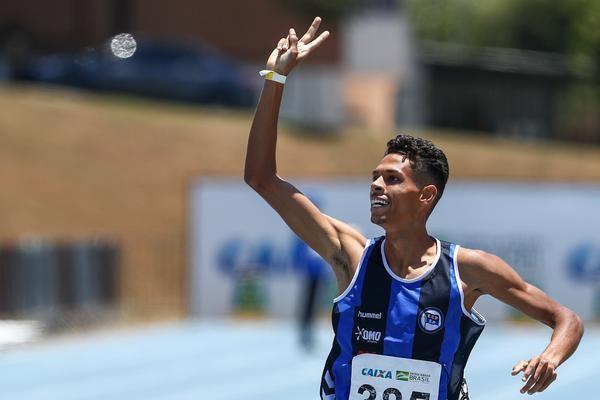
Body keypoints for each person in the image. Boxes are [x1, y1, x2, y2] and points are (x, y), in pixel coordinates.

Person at [244, 17, 584, 400]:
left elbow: (566, 319)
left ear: (425, 196)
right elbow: (261, 178)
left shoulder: (467, 270)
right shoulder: (351, 255)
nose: (375, 184)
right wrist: (275, 80)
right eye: (375, 176)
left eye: (391, 179)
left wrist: (550, 358)